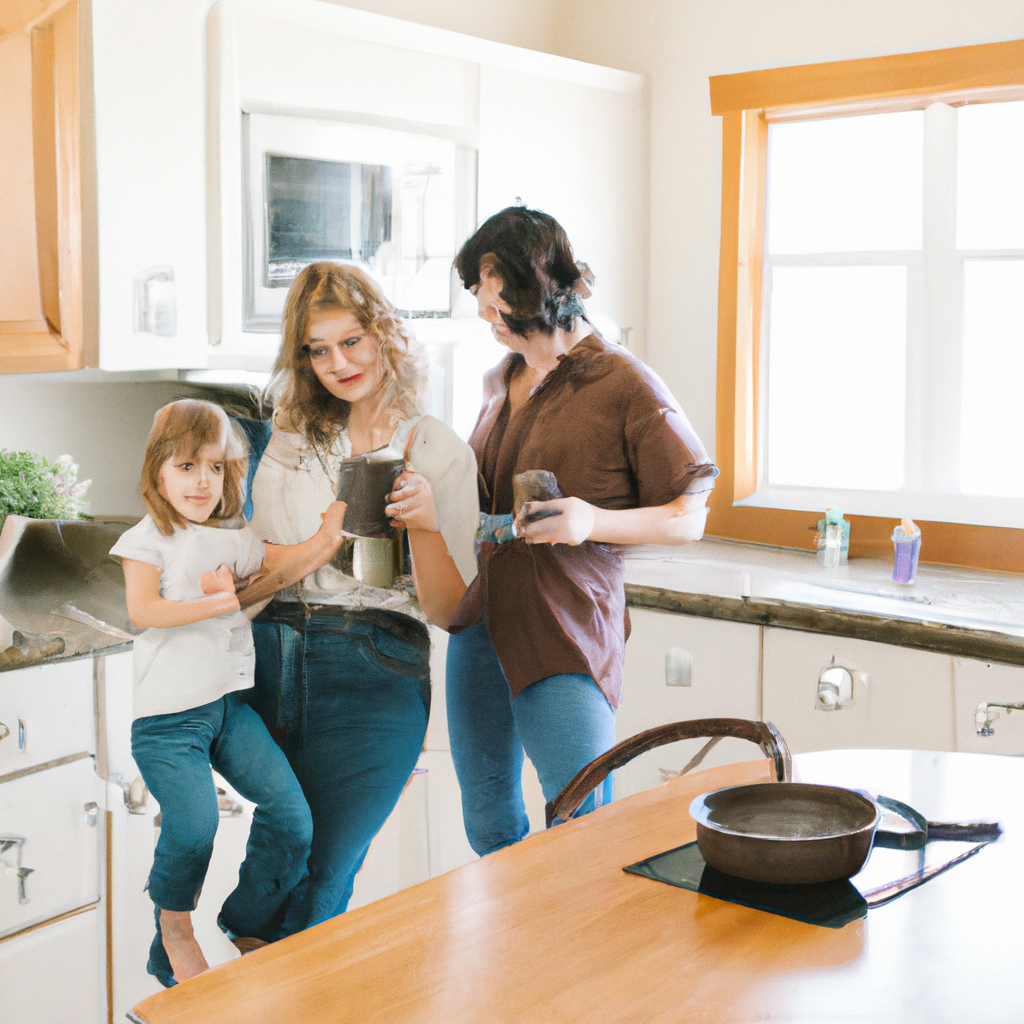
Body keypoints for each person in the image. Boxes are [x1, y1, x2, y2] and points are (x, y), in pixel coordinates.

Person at [446, 206, 718, 856]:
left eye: (493, 296)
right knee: (487, 821)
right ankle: (523, 952)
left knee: (581, 829)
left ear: (538, 287)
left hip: (563, 633)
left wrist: (590, 520)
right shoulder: (498, 381)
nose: (484, 312)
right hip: (481, 625)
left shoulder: (622, 382)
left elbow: (691, 513)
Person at [243, 261, 478, 931]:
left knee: (325, 873)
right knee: (274, 868)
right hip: (273, 651)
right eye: (318, 349)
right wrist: (318, 547)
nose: (337, 363)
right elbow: (251, 572)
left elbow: (450, 611)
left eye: (351, 340)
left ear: (386, 334)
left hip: (376, 666)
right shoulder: (288, 444)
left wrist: (428, 525)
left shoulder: (435, 448)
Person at [111, 399, 348, 987]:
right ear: (157, 472)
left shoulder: (233, 537)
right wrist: (223, 600)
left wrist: (333, 527)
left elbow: (287, 561)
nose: (201, 481)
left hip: (229, 707)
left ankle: (241, 921)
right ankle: (174, 933)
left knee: (293, 819)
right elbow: (144, 610)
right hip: (168, 721)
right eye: (187, 466)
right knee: (193, 829)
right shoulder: (147, 540)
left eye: (215, 468)